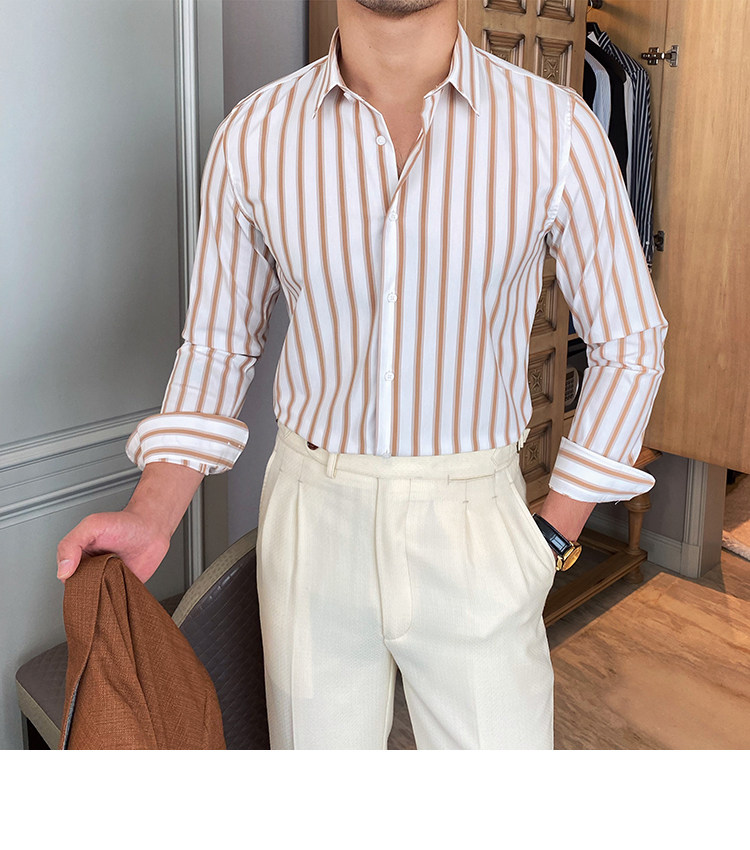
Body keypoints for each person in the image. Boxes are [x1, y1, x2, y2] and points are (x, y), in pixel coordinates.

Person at [57, 0, 667, 749]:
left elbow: (631, 340)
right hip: (312, 520)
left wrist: (552, 536)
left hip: (478, 520)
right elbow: (217, 345)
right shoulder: (254, 135)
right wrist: (152, 512)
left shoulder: (556, 129)